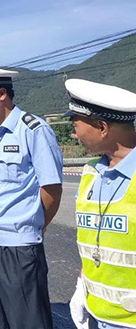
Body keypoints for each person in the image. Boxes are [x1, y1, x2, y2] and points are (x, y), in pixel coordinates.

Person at [0, 67, 63, 329]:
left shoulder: (33, 130)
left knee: (28, 321)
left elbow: (51, 190)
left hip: (18, 245)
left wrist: (35, 225)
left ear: (2, 94)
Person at [64, 79, 136, 329]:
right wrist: (81, 284)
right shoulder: (91, 173)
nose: (74, 134)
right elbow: (95, 241)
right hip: (97, 313)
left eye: (76, 125)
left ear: (102, 127)